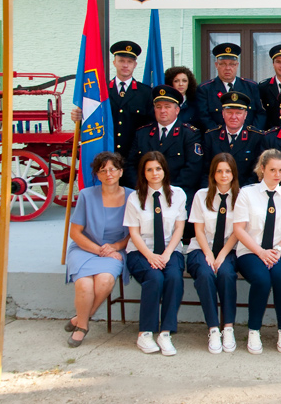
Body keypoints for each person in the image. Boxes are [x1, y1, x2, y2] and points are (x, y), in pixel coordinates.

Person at [64, 152, 132, 348]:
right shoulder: (86, 195)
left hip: (115, 249)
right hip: (85, 248)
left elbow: (134, 233)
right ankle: (82, 326)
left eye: (112, 169)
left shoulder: (132, 196)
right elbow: (75, 233)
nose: (108, 174)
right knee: (84, 285)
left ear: (121, 172)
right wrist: (99, 250)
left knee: (104, 281)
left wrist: (115, 247)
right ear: (97, 174)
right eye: (103, 170)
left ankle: (79, 319)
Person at [125, 152, 188, 356]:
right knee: (154, 277)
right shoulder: (134, 198)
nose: (154, 173)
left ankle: (165, 332)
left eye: (158, 169)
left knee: (174, 277)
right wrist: (150, 256)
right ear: (143, 173)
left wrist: (167, 253)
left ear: (164, 170)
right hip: (141, 251)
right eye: (149, 169)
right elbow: (134, 233)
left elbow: (179, 228)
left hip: (170, 250)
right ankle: (145, 333)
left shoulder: (178, 194)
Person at [233, 149, 281, 354]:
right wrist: (261, 252)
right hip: (251, 251)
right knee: (261, 279)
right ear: (262, 168)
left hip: (279, 251)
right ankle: (254, 330)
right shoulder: (247, 193)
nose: (277, 174)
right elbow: (239, 229)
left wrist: (277, 250)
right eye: (272, 170)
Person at [70, 41, 153, 186]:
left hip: (134, 159)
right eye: (121, 61)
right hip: (107, 157)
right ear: (114, 62)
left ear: (135, 65)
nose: (125, 65)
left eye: (129, 62)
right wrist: (78, 118)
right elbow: (91, 120)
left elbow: (150, 127)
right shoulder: (100, 92)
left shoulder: (146, 93)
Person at [186, 153, 240, 354]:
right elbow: (198, 230)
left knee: (226, 274)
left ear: (233, 174)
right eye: (219, 171)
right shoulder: (201, 196)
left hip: (229, 250)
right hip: (201, 248)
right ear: (213, 174)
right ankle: (214, 328)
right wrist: (208, 254)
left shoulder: (241, 197)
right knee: (205, 273)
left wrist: (222, 255)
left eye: (228, 171)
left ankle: (228, 328)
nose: (224, 175)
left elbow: (238, 231)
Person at [125, 85, 203, 206]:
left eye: (167, 106)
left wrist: (166, 191)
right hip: (146, 196)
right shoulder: (142, 134)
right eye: (158, 107)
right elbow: (131, 165)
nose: (162, 111)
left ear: (177, 110)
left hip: (177, 197)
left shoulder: (189, 134)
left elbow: (192, 169)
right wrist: (144, 188)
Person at [196, 43, 266, 131]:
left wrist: (252, 134)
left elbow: (260, 114)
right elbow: (204, 118)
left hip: (248, 137)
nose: (228, 68)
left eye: (232, 64)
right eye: (223, 64)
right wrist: (220, 135)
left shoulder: (251, 87)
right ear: (216, 65)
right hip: (217, 137)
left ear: (237, 65)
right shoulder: (205, 89)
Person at [202, 91, 265, 187]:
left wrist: (242, 192)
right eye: (229, 112)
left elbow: (256, 173)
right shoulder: (211, 136)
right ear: (223, 114)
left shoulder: (256, 137)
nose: (233, 117)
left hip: (245, 191)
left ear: (245, 115)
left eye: (238, 113)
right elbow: (205, 172)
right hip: (217, 190)